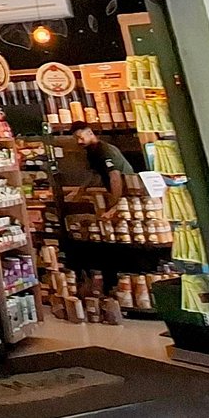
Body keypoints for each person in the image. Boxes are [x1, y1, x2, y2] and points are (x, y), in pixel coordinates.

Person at [70, 122, 142, 311]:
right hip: (117, 197)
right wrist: (79, 192)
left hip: (129, 196)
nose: (79, 141)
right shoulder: (92, 152)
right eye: (76, 138)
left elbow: (115, 177)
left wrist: (114, 206)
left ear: (90, 133)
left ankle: (119, 286)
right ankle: (110, 287)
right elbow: (94, 175)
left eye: (81, 137)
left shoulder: (105, 150)